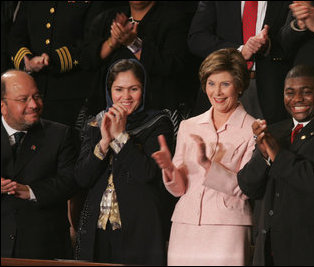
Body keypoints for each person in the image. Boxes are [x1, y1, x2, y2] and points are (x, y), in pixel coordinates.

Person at [237, 65, 314, 265]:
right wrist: (264, 154)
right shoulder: (274, 131)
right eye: (290, 93)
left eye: (306, 92)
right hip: (270, 252)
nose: (297, 99)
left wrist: (278, 155)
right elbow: (248, 186)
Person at [152, 48, 255, 265]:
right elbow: (180, 189)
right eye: (211, 83)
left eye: (225, 84)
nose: (217, 92)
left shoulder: (253, 129)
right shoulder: (189, 126)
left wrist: (208, 165)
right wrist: (169, 169)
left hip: (228, 228)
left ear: (240, 86)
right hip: (185, 225)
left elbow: (246, 188)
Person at [74, 59, 174, 265]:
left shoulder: (158, 122)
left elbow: (147, 173)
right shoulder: (95, 123)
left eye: (134, 89)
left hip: (140, 225)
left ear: (143, 90)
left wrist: (120, 137)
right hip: (97, 226)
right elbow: (82, 178)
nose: (126, 97)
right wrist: (103, 142)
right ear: (109, 90)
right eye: (118, 89)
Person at [1, 70, 79, 259]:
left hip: (44, 248)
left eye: (36, 96)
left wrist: (30, 191)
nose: (34, 105)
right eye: (23, 99)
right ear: (2, 106)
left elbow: (70, 181)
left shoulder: (61, 135)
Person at [83, 1, 198, 123]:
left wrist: (134, 44)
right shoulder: (108, 18)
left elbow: (174, 64)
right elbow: (87, 60)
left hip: (155, 112)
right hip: (107, 110)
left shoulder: (173, 18)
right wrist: (112, 42)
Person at [188, 1, 291, 123]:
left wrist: (268, 45)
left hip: (270, 92)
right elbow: (197, 38)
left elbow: (295, 42)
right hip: (223, 87)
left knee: (267, 140)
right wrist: (239, 52)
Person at [7, 2, 106, 127]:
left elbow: (92, 43)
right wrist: (27, 61)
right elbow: (15, 37)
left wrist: (53, 60)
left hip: (71, 93)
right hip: (31, 89)